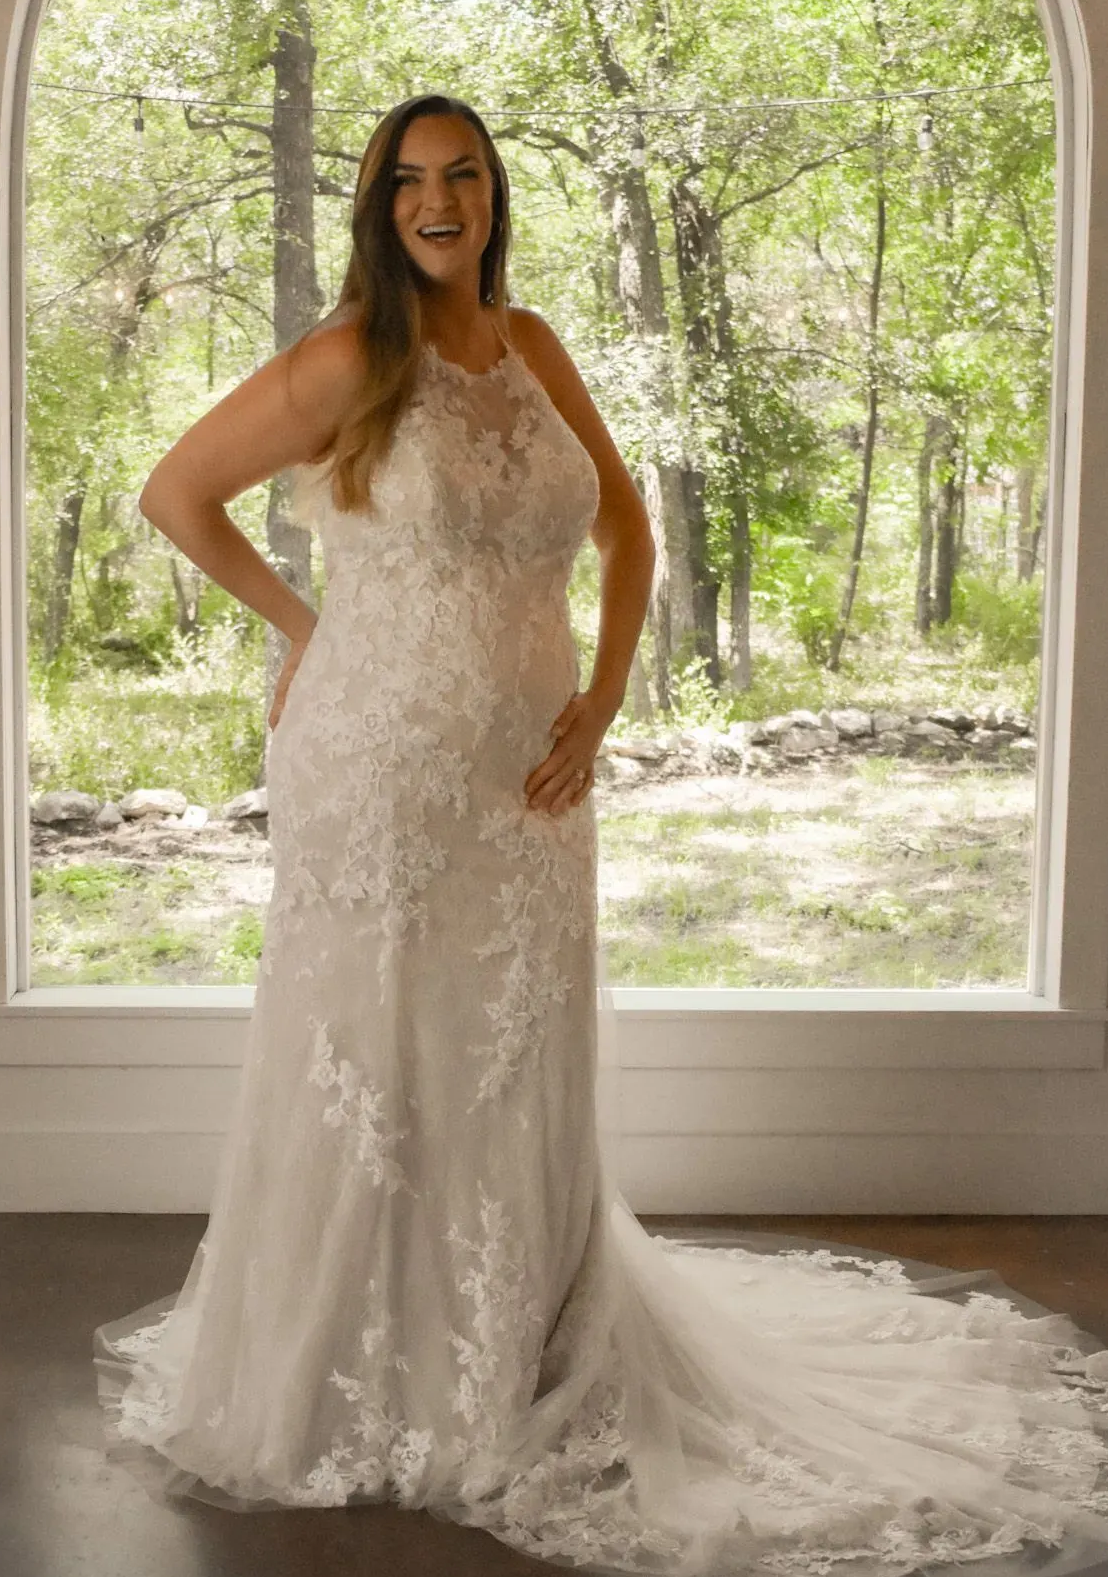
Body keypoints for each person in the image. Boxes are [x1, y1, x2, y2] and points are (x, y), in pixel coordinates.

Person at [94, 91, 1108, 1577]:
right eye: (409, 182)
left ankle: (516, 1345)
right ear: (379, 208)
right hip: (380, 770)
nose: (439, 202)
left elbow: (628, 525)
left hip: (532, 770)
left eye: (465, 176)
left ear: (496, 194)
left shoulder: (534, 344)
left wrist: (606, 695)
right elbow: (174, 491)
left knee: (516, 1051)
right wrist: (305, 620)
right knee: (379, 1055)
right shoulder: (340, 362)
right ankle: (367, 1369)